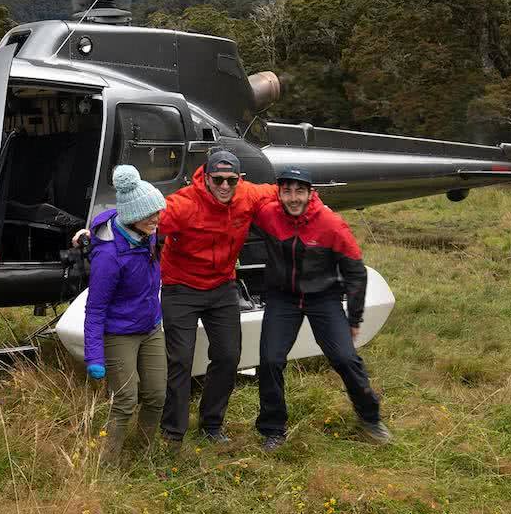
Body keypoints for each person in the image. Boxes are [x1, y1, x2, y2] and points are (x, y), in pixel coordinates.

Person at [251, 166, 390, 449]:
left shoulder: (330, 223)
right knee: (269, 361)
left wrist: (354, 318)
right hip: (283, 298)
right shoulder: (268, 215)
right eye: (287, 191)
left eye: (299, 191)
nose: (292, 198)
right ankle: (273, 429)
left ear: (311, 192)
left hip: (323, 298)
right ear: (279, 193)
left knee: (345, 359)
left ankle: (370, 419)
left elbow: (355, 272)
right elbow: (237, 213)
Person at [155, 149, 277, 445]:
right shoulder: (183, 203)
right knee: (181, 360)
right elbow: (141, 218)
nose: (224, 186)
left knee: (227, 356)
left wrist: (315, 209)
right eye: (218, 180)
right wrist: (95, 231)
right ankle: (173, 431)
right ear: (206, 177)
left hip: (222, 286)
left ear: (240, 179)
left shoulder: (248, 195)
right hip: (180, 288)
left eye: (231, 180)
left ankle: (211, 424)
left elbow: (287, 193)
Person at [83, 165, 167, 462]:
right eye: (150, 214)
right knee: (125, 401)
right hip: (119, 333)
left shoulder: (147, 233)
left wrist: (86, 231)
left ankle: (143, 455)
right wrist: (94, 357)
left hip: (151, 327)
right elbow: (95, 310)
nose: (157, 219)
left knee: (156, 396)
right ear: (132, 217)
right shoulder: (109, 257)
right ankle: (106, 464)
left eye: (157, 211)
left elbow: (103, 218)